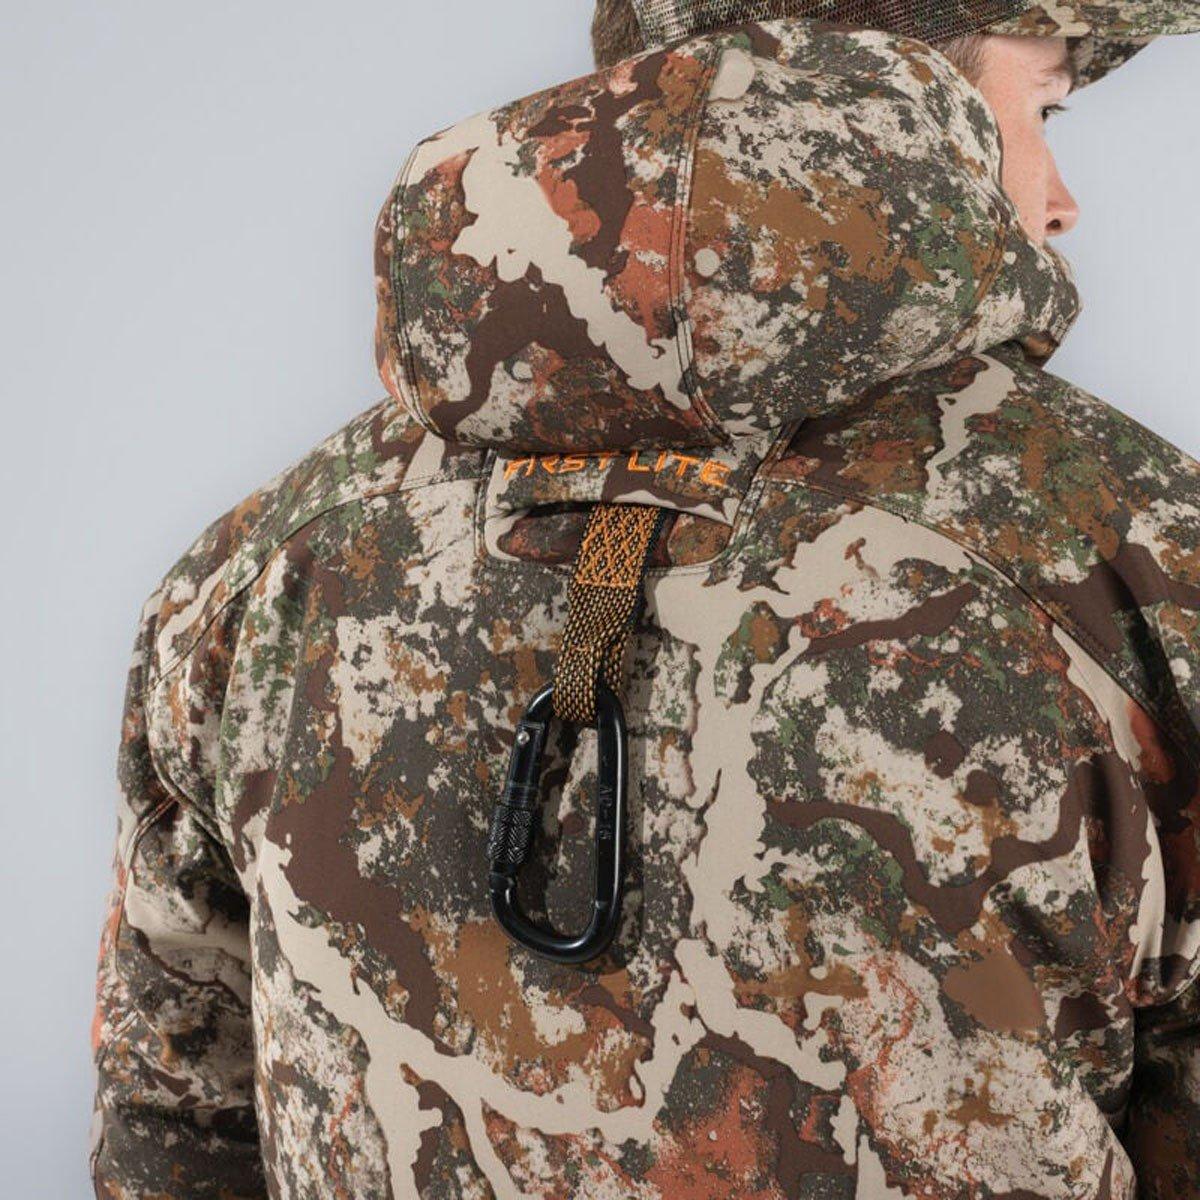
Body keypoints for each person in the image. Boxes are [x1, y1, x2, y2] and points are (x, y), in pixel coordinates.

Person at [88, 1, 1200, 1196]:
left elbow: (174, 1120)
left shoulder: (264, 564)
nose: (1059, 203)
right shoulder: (1133, 560)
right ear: (876, 101)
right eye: (1042, 112)